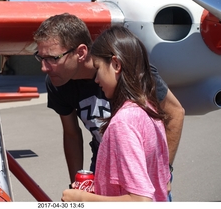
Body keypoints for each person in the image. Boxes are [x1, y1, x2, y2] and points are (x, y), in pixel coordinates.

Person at [33, 13, 184, 199]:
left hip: (144, 168)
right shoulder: (57, 81)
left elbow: (175, 112)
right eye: (41, 58)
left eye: (52, 58)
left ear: (80, 53)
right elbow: (71, 134)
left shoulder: (135, 74)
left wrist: (165, 170)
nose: (44, 68)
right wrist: (78, 185)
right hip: (104, 161)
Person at [61, 25, 170, 202]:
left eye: (98, 69)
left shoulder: (123, 122)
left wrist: (82, 198)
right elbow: (161, 183)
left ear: (116, 64)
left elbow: (140, 201)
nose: (96, 80)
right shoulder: (149, 110)